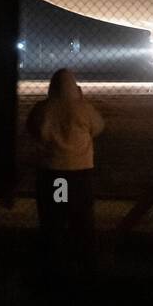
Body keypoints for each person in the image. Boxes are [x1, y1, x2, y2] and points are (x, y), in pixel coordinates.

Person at [26, 68, 105, 280]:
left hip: (53, 173)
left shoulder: (43, 109)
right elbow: (98, 127)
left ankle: (55, 266)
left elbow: (32, 129)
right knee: (83, 220)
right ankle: (87, 266)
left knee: (53, 219)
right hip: (79, 174)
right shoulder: (84, 109)